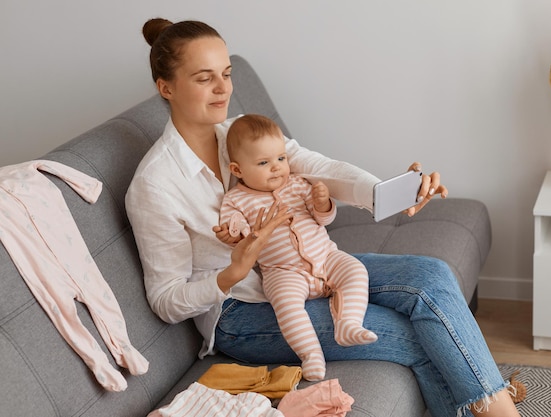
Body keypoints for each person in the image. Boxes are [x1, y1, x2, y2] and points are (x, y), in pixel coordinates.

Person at [125, 17, 521, 417]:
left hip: (308, 267)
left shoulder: (240, 136)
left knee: (431, 276)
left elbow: (321, 168)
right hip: (242, 314)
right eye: (204, 78)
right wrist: (231, 271)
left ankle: (496, 403)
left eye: (226, 74)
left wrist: (394, 192)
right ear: (166, 87)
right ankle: (496, 403)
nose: (223, 88)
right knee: (413, 337)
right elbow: (165, 300)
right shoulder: (155, 186)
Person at [219, 114, 377, 381]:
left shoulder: (297, 184)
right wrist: (233, 233)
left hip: (326, 257)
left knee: (356, 271)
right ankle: (310, 354)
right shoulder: (236, 200)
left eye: (281, 158)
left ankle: (347, 323)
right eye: (263, 163)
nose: (277, 168)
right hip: (283, 271)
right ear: (237, 170)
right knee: (287, 306)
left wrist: (323, 204)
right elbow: (240, 235)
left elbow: (323, 219)